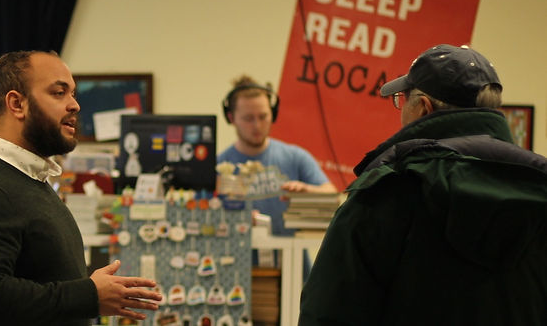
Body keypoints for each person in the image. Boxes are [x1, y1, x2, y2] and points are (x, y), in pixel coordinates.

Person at [299, 44, 547, 325]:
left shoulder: (388, 190)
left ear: (423, 109)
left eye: (402, 101)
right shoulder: (539, 186)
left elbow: (331, 311)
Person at [0, 51, 162, 326]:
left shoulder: (28, 179)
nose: (74, 105)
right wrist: (88, 295)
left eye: (73, 94)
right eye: (59, 93)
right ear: (17, 104)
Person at [218, 75, 337, 236]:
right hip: (240, 259)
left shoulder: (295, 157)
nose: (257, 125)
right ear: (231, 118)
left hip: (293, 259)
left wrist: (308, 191)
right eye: (248, 118)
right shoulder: (219, 166)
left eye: (263, 116)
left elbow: (333, 197)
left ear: (273, 114)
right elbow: (200, 216)